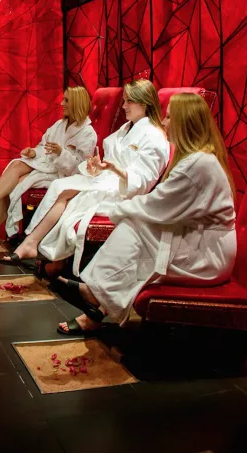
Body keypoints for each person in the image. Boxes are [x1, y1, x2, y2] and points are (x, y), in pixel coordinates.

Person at [55, 94, 236, 335]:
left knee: (133, 225)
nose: (164, 122)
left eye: (170, 116)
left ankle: (96, 294)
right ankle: (97, 302)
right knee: (135, 227)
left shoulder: (198, 164)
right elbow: (161, 203)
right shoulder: (196, 159)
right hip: (197, 241)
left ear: (185, 122)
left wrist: (119, 210)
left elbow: (158, 204)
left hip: (207, 255)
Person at [3, 79, 169, 275]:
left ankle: (38, 248)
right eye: (123, 101)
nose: (123, 106)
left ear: (144, 102)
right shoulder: (127, 128)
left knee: (65, 191)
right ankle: (35, 246)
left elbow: (142, 182)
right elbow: (110, 160)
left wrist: (113, 169)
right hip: (107, 179)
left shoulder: (154, 136)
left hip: (124, 191)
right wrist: (97, 167)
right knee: (60, 186)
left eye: (128, 102)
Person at [0, 87, 97, 239]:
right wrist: (34, 152)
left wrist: (60, 153)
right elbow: (44, 147)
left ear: (77, 103)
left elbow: (81, 169)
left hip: (61, 175)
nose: (62, 103)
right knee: (16, 164)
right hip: (47, 164)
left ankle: (7, 223)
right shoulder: (59, 125)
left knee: (19, 181)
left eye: (67, 100)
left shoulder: (88, 133)